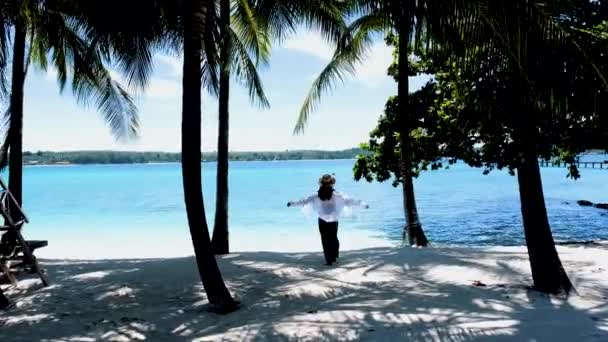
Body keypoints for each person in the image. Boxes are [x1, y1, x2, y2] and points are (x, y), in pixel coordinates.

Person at [287, 174, 369, 266]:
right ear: (332, 184)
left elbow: (304, 201)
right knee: (333, 238)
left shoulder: (317, 195)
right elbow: (350, 201)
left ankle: (329, 260)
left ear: (321, 184)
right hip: (333, 220)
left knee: (325, 239)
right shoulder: (337, 195)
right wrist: (363, 204)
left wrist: (292, 203)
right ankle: (333, 257)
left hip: (322, 220)